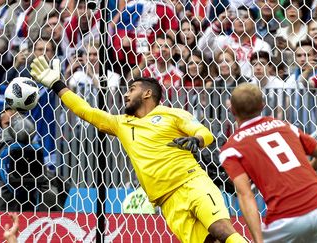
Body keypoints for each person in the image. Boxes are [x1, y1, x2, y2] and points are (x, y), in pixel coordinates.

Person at [30, 56, 246, 243]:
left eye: (132, 89)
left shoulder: (171, 114)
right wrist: (58, 85)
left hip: (192, 183)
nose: (126, 94)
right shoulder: (121, 123)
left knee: (221, 229)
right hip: (167, 202)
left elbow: (203, 131)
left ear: (147, 93)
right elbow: (85, 110)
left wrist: (196, 140)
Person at [220, 83, 317, 243]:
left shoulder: (231, 148)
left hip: (284, 218)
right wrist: (309, 170)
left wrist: (258, 240)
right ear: (262, 105)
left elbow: (245, 195)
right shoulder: (284, 126)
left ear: (232, 111)